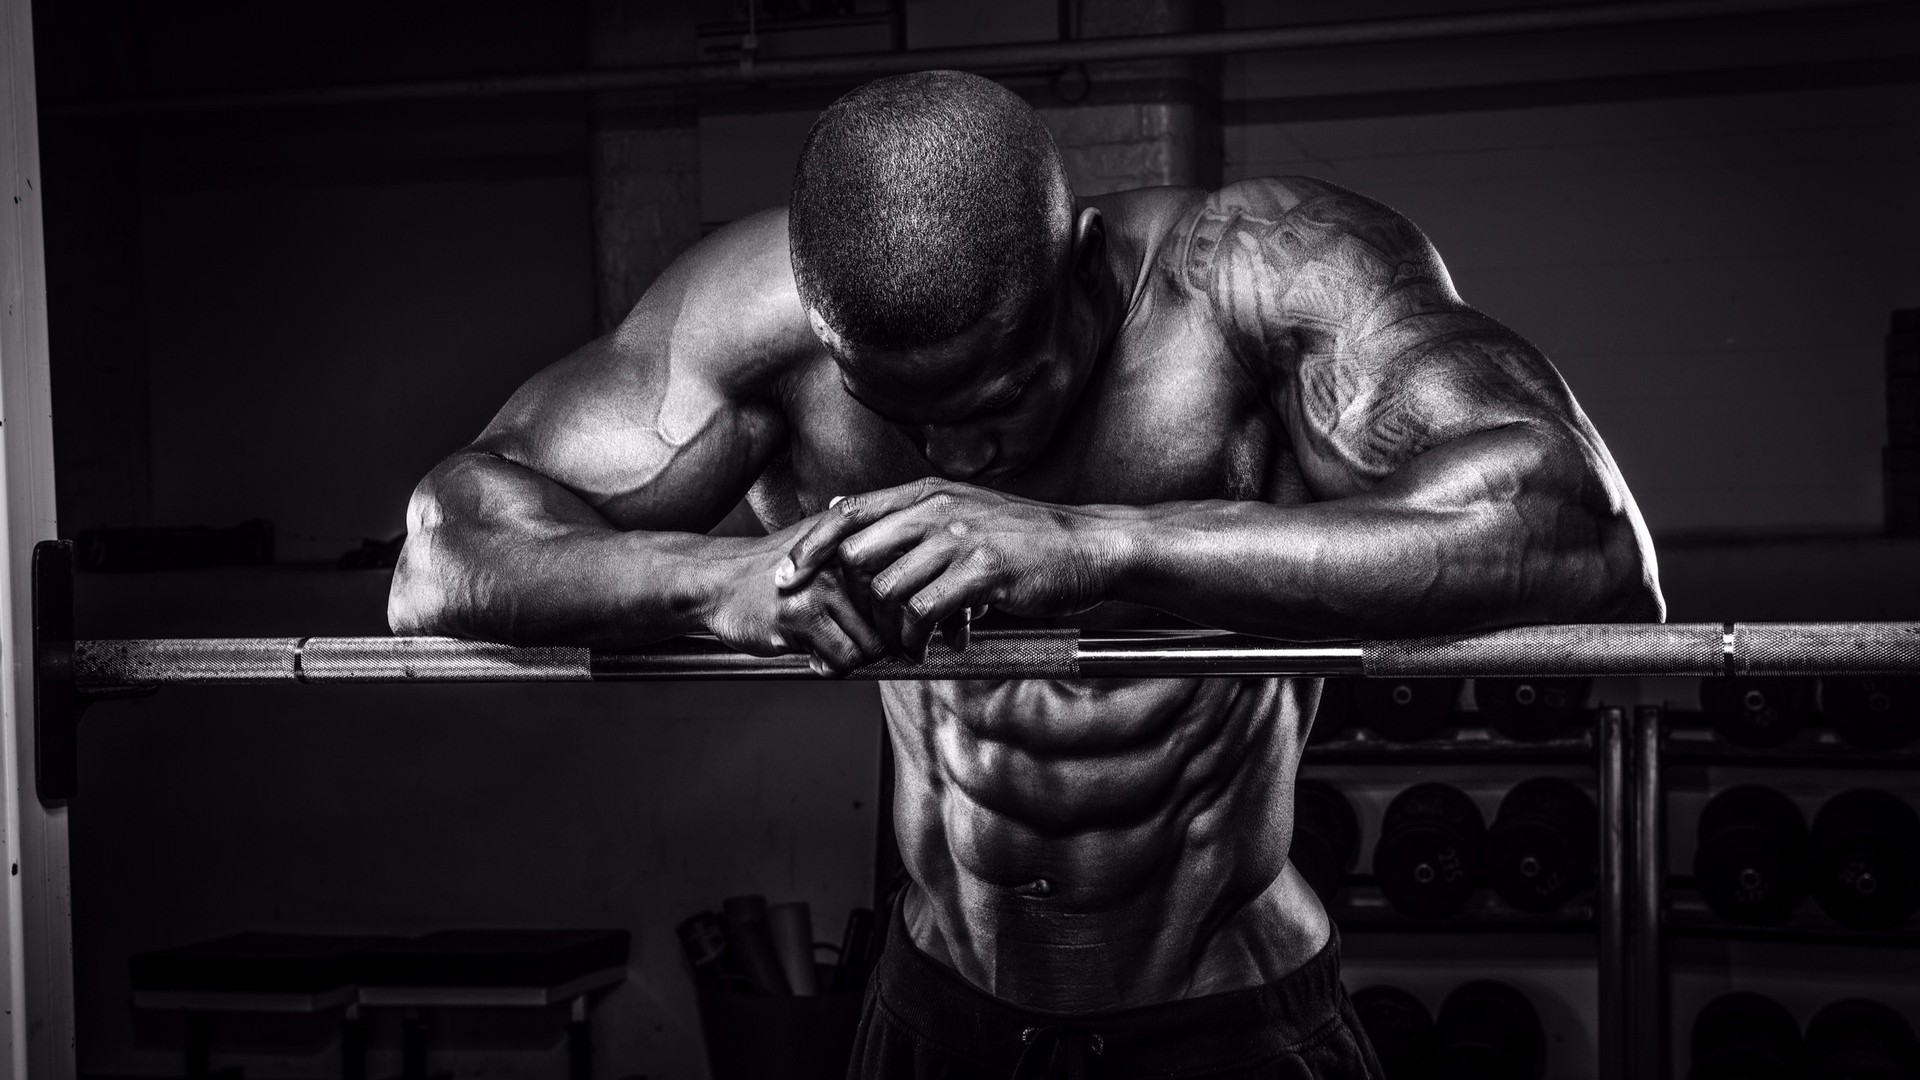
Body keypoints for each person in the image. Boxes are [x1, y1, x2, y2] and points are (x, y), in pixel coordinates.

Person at [389, 70, 1663, 1078]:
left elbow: (1583, 531)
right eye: (907, 416)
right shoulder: (758, 321)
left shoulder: (1254, 277)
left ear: (1085, 271)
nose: (955, 455)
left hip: (1224, 1020)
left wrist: (1109, 541)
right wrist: (710, 580)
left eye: (996, 403)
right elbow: (444, 547)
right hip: (937, 1012)